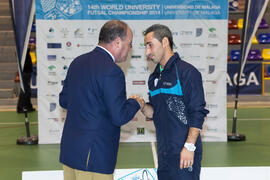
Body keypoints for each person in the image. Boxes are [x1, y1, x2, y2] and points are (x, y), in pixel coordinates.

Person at [59, 20, 144, 180]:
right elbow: (119, 116)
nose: (130, 49)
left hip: (71, 151)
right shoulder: (113, 71)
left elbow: (64, 101)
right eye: (130, 43)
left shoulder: (78, 62)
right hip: (93, 156)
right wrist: (136, 102)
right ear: (118, 42)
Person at [141, 24, 209, 180]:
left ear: (165, 42)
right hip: (164, 154)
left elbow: (197, 113)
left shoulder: (187, 72)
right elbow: (155, 113)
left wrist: (189, 147)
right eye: (146, 47)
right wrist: (142, 106)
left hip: (184, 152)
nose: (147, 52)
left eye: (150, 45)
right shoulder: (154, 78)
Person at [17, 48, 35, 113]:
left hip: (27, 73)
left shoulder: (26, 51)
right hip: (25, 73)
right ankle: (20, 107)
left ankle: (28, 106)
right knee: (24, 91)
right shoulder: (23, 51)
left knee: (27, 91)